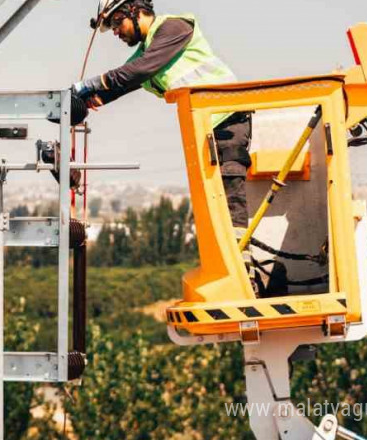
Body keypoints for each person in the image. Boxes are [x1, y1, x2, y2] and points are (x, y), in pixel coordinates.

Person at [73, 0, 256, 286]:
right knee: (213, 198)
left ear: (135, 11)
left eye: (117, 23)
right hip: (205, 124)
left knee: (228, 183)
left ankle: (241, 266)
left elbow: (139, 71)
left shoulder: (174, 28)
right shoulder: (149, 49)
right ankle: (230, 264)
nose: (117, 33)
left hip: (227, 116)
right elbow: (127, 79)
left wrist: (91, 84)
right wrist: (84, 102)